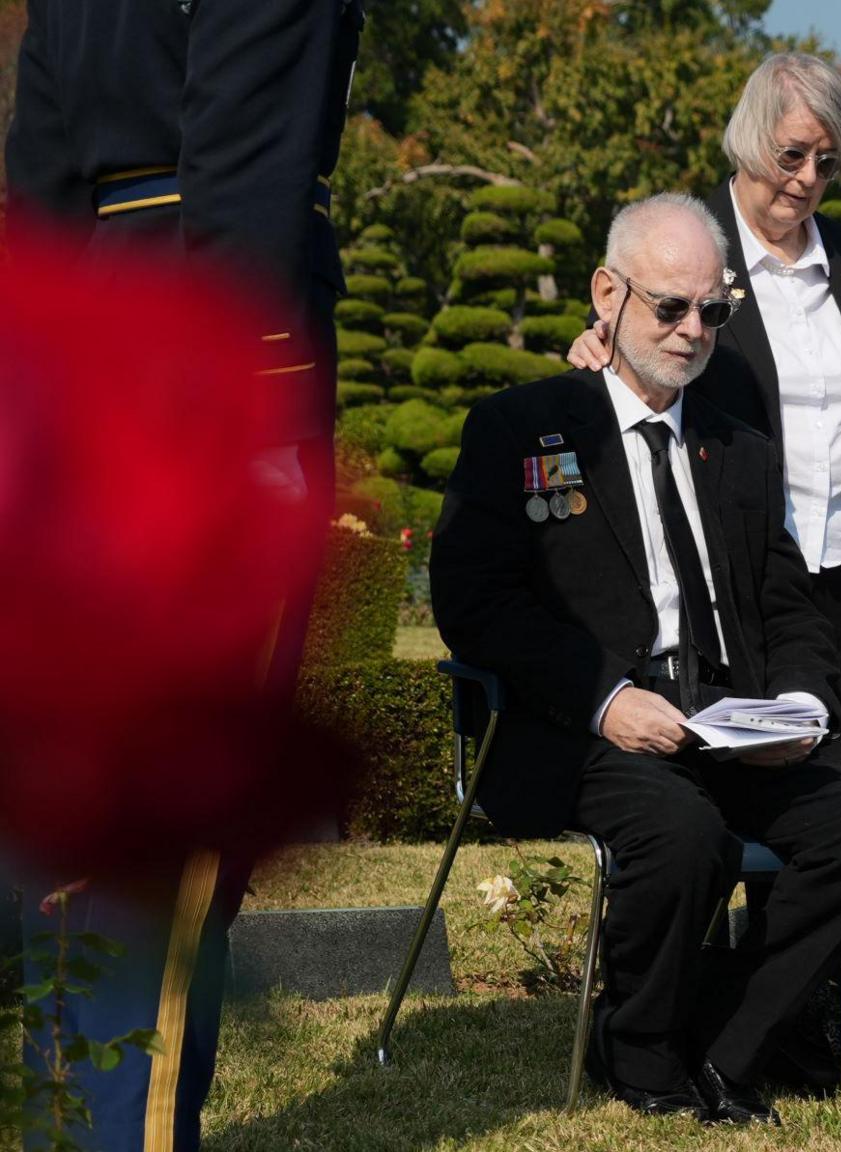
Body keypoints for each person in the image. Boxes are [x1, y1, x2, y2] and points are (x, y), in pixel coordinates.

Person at [431, 192, 841, 1125]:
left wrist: (805, 708)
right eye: (670, 307)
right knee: (680, 828)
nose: (694, 331)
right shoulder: (522, 428)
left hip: (723, 725)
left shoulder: (736, 449)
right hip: (574, 728)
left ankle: (732, 1045)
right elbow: (475, 605)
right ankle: (643, 1047)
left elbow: (788, 603)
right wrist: (604, 696)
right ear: (607, 294)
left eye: (715, 311)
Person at [5, 4, 360, 1148]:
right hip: (205, 382)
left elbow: (43, 191)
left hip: (86, 365)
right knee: (175, 829)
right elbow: (250, 146)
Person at [570, 53, 841, 764]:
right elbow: (634, 343)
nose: (807, 180)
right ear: (748, 139)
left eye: (826, 163)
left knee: (839, 772)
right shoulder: (696, 246)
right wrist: (591, 348)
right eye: (791, 155)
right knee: (747, 773)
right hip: (741, 566)